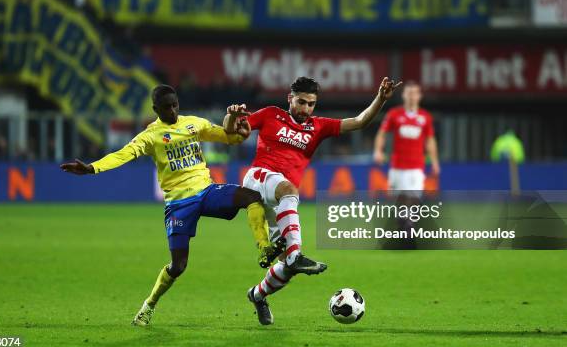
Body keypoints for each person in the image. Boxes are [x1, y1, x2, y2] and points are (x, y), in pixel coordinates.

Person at [60, 85, 281, 326]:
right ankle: (149, 306)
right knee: (178, 265)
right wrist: (93, 168)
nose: (173, 110)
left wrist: (240, 130)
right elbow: (123, 154)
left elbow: (229, 137)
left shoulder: (194, 124)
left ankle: (264, 248)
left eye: (175, 105)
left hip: (206, 190)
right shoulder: (150, 136)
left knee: (251, 197)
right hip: (179, 203)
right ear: (156, 109)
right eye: (167, 107)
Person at [224, 76, 401, 325]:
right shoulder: (270, 115)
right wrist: (232, 115)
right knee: (290, 190)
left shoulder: (317, 126)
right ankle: (296, 253)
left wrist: (380, 99)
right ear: (290, 99)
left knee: (286, 267)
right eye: (301, 102)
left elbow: (360, 122)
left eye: (311, 104)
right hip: (259, 179)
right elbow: (233, 130)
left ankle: (257, 295)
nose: (306, 108)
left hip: (279, 199)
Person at [373, 81, 440, 194]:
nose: (411, 97)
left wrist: (434, 161)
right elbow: (382, 133)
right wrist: (378, 151)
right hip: (397, 167)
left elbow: (430, 140)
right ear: (403, 95)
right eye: (409, 93)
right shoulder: (394, 114)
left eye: (414, 93)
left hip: (416, 168)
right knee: (399, 204)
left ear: (419, 96)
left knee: (412, 203)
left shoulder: (425, 117)